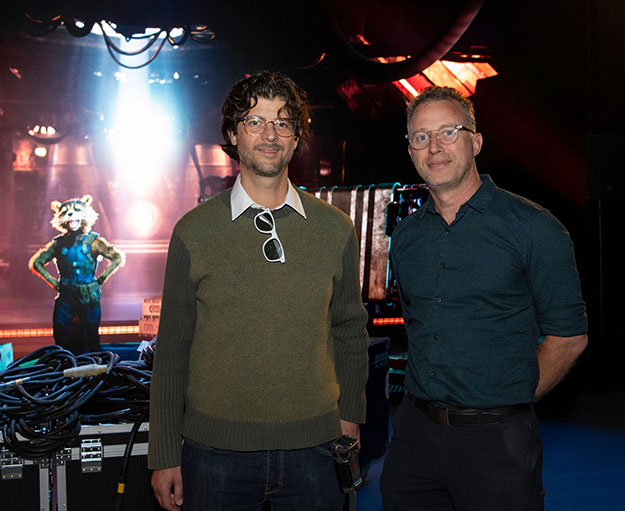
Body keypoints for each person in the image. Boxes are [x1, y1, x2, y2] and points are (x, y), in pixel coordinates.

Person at [148, 70, 370, 511]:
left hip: (318, 448)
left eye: (283, 122)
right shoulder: (194, 231)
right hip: (214, 453)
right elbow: (172, 349)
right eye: (255, 121)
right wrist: (164, 453)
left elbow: (350, 331)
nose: (270, 134)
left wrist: (350, 416)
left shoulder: (335, 229)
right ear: (233, 134)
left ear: (296, 137)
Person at [380, 85, 589, 510]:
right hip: (414, 440)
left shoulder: (533, 228)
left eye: (448, 132)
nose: (434, 147)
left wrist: (509, 399)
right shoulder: (406, 237)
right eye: (421, 136)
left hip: (497, 443)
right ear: (410, 150)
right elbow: (417, 326)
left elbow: (568, 337)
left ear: (475, 142)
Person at [28, 194, 126, 355]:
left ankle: (94, 365)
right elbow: (37, 262)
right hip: (66, 296)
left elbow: (117, 257)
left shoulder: (94, 242)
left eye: (77, 210)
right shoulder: (59, 244)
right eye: (66, 212)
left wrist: (101, 279)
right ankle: (64, 363)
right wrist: (53, 282)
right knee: (60, 333)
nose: (71, 214)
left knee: (92, 336)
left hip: (89, 296)